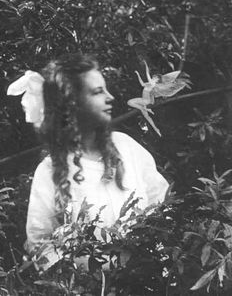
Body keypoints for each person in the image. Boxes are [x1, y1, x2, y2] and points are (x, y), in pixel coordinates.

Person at [8, 53, 169, 271]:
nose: (110, 97)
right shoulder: (49, 171)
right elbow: (41, 248)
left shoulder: (128, 148)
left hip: (150, 278)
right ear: (73, 104)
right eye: (97, 92)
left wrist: (154, 259)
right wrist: (102, 266)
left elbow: (161, 205)